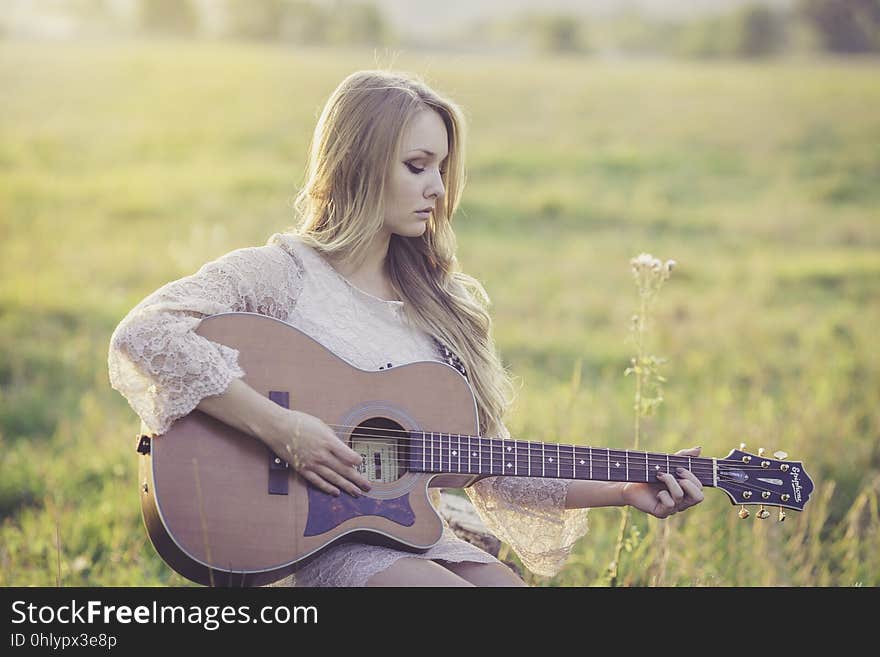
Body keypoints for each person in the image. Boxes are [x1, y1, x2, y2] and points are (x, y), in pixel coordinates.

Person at [108, 69, 704, 587]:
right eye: (418, 166)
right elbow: (145, 334)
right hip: (307, 547)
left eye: (442, 169)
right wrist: (283, 428)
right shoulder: (278, 275)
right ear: (358, 165)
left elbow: (487, 467)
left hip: (403, 538)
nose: (439, 190)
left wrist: (625, 487)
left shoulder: (442, 306)